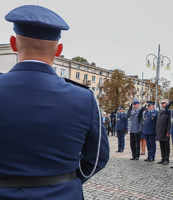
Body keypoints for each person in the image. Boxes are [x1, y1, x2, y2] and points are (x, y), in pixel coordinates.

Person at [0, 5, 109, 199]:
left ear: (13, 44)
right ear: (58, 50)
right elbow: (97, 159)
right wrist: (64, 180)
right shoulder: (84, 98)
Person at [155, 99, 171, 165]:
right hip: (160, 131)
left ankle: (166, 159)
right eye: (161, 103)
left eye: (163, 103)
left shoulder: (169, 111)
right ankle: (163, 158)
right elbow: (157, 122)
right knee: (161, 145)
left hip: (165, 131)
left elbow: (169, 123)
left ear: (167, 104)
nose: (162, 104)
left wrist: (168, 131)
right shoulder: (160, 112)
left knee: (166, 145)